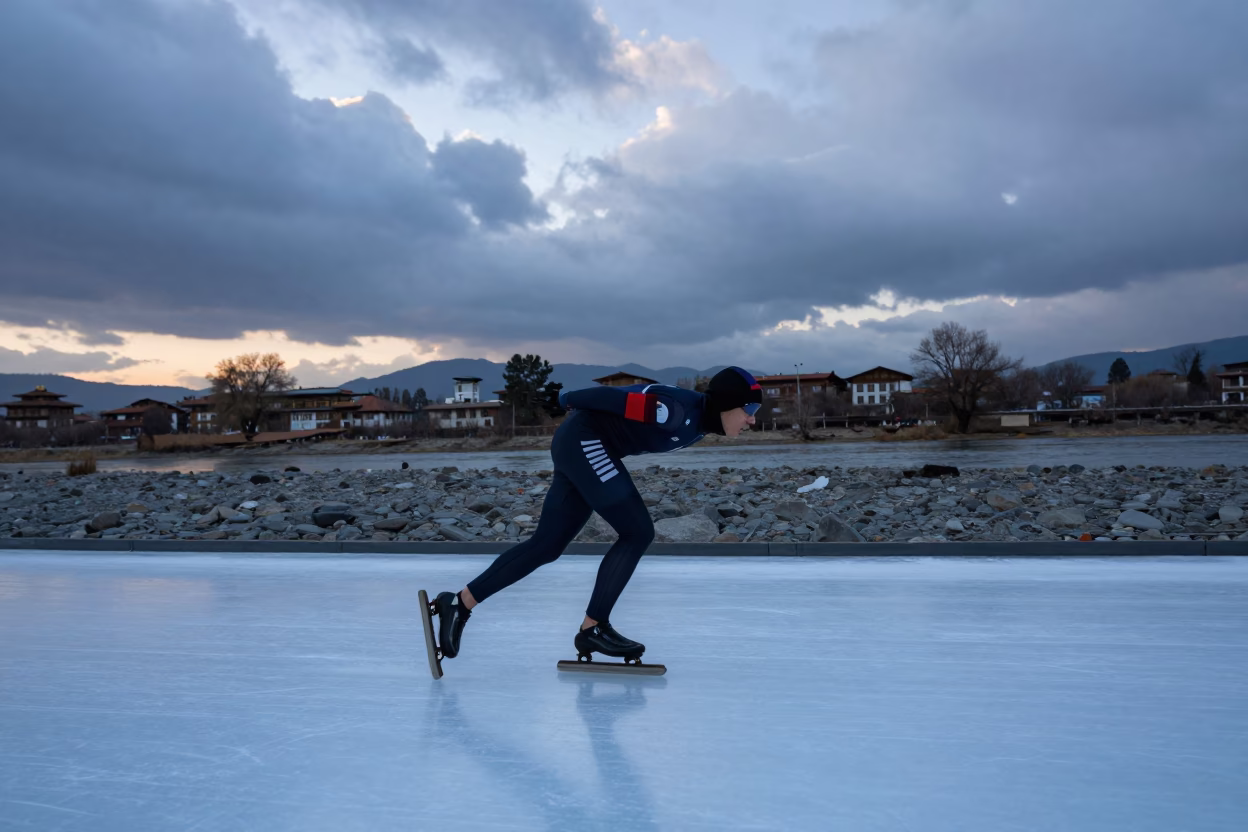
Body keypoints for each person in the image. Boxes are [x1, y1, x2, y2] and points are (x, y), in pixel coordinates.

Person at [431, 366, 763, 662]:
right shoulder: (671, 412)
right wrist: (563, 397)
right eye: (749, 409)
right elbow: (610, 397)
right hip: (585, 441)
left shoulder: (699, 421)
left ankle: (459, 604)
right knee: (637, 532)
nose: (752, 419)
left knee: (547, 545)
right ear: (726, 404)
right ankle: (594, 627)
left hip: (579, 444)